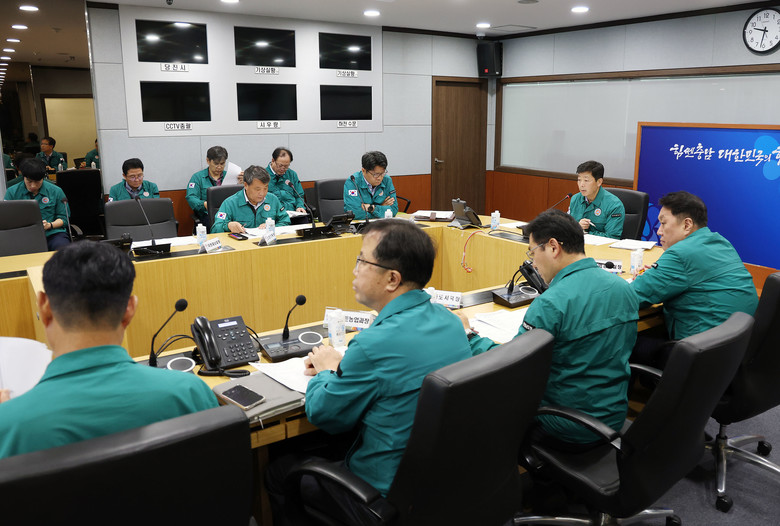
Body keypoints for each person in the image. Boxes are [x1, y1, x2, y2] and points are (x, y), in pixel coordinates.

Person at [267, 219, 472, 525]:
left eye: (362, 261)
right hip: (442, 484)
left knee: (280, 471)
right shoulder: (450, 321)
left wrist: (326, 371)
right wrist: (346, 366)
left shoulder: (372, 345)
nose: (354, 270)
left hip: (384, 496)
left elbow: (324, 415)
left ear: (392, 279)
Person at [0, 242, 218, 459]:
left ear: (44, 307)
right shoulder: (190, 393)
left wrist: (8, 415)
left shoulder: (10, 427)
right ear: (130, 309)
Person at [466, 209, 638, 449]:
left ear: (553, 247)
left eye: (533, 252)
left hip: (567, 424)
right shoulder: (623, 288)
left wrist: (470, 336)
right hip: (614, 415)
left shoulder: (550, 303)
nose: (533, 263)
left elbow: (511, 366)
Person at [631, 191, 758, 367]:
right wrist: (658, 275)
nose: (658, 231)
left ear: (687, 225)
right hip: (734, 351)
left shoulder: (680, 254)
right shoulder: (721, 242)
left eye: (663, 223)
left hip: (699, 357)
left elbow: (631, 296)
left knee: (620, 342)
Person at [3, 158, 70, 251]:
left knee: (63, 249)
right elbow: (7, 220)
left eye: (37, 182)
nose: (33, 186)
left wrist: (49, 225)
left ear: (43, 178)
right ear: (23, 177)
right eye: (29, 181)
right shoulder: (12, 192)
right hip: (22, 235)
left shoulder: (56, 191)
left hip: (52, 234)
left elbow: (64, 218)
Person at [211, 165, 291, 233]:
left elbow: (285, 220)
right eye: (257, 189)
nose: (262, 193)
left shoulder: (272, 199)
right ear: (246, 185)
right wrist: (228, 226)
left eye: (265, 188)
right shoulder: (230, 203)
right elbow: (215, 229)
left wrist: (273, 226)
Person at [567, 160, 624, 239]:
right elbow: (567, 227)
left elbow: (612, 237)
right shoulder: (575, 199)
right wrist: (577, 227)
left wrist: (582, 232)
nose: (581, 185)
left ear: (599, 182)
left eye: (586, 180)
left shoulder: (614, 205)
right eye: (579, 180)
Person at [343, 151, 398, 220]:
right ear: (363, 171)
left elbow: (393, 210)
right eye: (375, 174)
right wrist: (381, 208)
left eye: (382, 173)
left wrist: (371, 208)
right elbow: (355, 213)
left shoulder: (387, 180)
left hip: (382, 224)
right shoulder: (352, 182)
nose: (380, 178)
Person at [187, 145, 230, 229]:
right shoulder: (197, 177)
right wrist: (204, 204)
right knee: (215, 224)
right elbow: (191, 197)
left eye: (222, 164)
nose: (219, 167)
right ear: (208, 161)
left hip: (228, 213)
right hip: (207, 214)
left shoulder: (229, 176)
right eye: (216, 163)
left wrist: (241, 183)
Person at [266, 147, 306, 213]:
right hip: (273, 212)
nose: (283, 169)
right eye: (280, 165)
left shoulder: (292, 174)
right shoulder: (263, 175)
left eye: (286, 166)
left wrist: (300, 206)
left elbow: (299, 195)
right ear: (273, 160)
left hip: (292, 212)